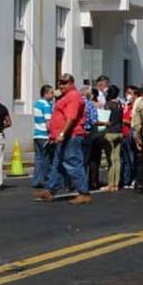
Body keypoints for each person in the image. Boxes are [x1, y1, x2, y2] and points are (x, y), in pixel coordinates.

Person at [36, 75, 91, 204]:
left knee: (73, 163)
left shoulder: (73, 96)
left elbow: (71, 117)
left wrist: (62, 133)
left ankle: (84, 193)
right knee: (58, 164)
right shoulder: (65, 96)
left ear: (72, 83)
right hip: (63, 136)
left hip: (71, 135)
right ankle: (50, 190)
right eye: (60, 83)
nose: (61, 86)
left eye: (65, 83)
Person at [31, 84, 55, 190]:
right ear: (45, 94)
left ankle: (36, 180)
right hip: (44, 135)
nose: (53, 95)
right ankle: (47, 180)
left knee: (38, 159)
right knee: (47, 159)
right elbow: (48, 122)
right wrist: (52, 134)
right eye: (51, 93)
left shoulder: (37, 104)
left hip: (37, 134)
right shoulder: (46, 105)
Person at [101, 85, 124, 191]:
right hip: (119, 132)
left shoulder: (108, 104)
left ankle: (110, 184)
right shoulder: (120, 104)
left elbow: (106, 118)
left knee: (110, 159)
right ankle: (116, 184)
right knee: (117, 159)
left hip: (110, 132)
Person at [120, 85, 139, 189]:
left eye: (130, 93)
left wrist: (123, 120)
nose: (128, 95)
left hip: (130, 135)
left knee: (133, 159)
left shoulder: (136, 107)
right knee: (125, 159)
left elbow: (134, 121)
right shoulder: (126, 106)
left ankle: (135, 179)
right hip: (123, 135)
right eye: (127, 93)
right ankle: (126, 181)